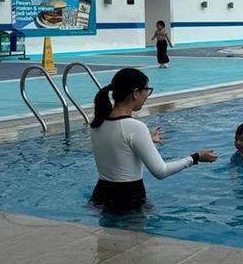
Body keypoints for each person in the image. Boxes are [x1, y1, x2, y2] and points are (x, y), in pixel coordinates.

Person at [89, 68, 218, 210]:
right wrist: (196, 157)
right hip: (128, 200)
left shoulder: (97, 123)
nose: (147, 95)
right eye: (147, 90)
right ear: (136, 93)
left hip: (100, 197)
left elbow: (121, 154)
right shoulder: (135, 127)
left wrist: (147, 141)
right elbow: (160, 171)